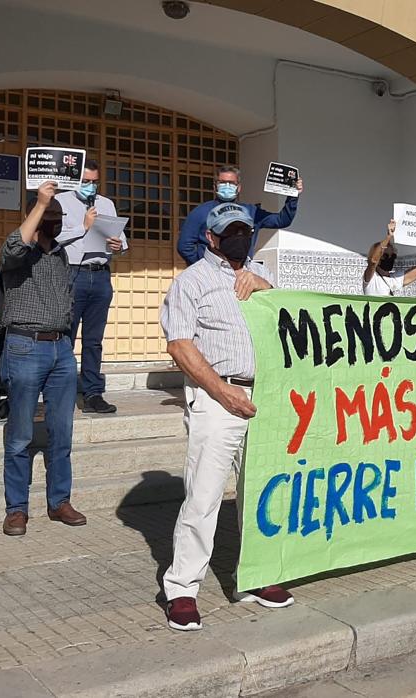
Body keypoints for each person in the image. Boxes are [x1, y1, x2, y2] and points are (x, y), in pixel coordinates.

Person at [159, 203, 294, 631]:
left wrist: (264, 285)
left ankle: (256, 576)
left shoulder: (258, 278)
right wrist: (222, 391)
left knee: (262, 494)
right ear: (211, 238)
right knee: (204, 496)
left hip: (264, 398)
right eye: (229, 232)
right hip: (217, 398)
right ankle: (181, 588)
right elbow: (180, 345)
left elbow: (287, 320)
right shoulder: (191, 282)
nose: (239, 237)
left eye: (245, 231)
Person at [0, 182, 87, 537]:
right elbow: (15, 246)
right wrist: (40, 203)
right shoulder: (19, 251)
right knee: (20, 435)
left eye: (57, 216)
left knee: (61, 433)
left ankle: (59, 501)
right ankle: (16, 509)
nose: (54, 221)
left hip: (61, 349)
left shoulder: (61, 255)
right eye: (48, 215)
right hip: (25, 346)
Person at [56, 161, 128, 414]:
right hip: (72, 272)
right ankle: (60, 390)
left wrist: (119, 246)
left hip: (100, 274)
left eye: (94, 181)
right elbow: (54, 238)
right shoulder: (61, 202)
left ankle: (93, 393)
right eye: (85, 181)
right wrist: (83, 225)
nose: (91, 186)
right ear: (75, 180)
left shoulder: (106, 203)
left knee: (94, 339)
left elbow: (120, 239)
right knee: (66, 335)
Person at [177, 166, 302, 264]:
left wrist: (293, 196)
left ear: (239, 187)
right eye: (222, 183)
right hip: (210, 274)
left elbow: (282, 220)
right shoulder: (201, 212)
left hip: (242, 275)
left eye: (231, 183)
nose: (227, 186)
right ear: (215, 186)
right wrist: (204, 266)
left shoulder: (251, 211)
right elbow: (184, 246)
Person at [364, 221, 416, 296]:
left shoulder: (395, 278)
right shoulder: (371, 278)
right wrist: (389, 236)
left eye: (393, 256)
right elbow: (373, 261)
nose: (390, 258)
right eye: (385, 256)